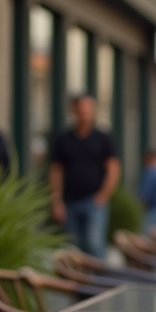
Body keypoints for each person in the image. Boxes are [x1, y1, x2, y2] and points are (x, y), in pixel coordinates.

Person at [50, 95, 120, 257]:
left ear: (94, 113)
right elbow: (56, 171)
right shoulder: (63, 139)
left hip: (94, 201)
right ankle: (75, 282)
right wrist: (56, 201)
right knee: (72, 247)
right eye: (81, 112)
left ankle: (98, 282)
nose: (84, 115)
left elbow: (114, 169)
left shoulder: (103, 138)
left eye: (88, 112)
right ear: (74, 112)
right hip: (70, 202)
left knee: (94, 245)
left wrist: (103, 196)